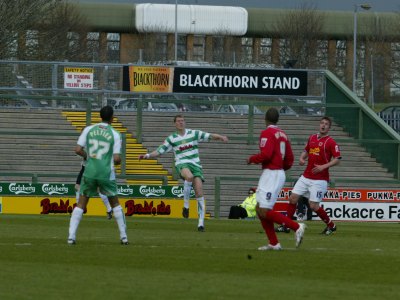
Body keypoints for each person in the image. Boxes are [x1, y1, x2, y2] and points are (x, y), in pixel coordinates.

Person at [139, 114, 228, 232]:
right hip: (182, 164)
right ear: (175, 124)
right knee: (189, 176)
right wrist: (147, 155)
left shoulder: (193, 133)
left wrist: (221, 137)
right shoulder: (172, 138)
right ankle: (186, 206)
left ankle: (201, 224)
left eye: (183, 121)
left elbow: (210, 136)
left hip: (196, 165)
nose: (181, 123)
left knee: (199, 193)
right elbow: (160, 151)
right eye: (179, 121)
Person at [68, 105, 129, 245]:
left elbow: (77, 149)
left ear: (100, 116)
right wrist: (116, 162)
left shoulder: (88, 129)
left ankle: (71, 236)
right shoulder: (115, 134)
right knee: (115, 203)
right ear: (113, 118)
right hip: (106, 173)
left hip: (89, 171)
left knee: (81, 203)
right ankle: (123, 237)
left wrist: (88, 157)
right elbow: (117, 159)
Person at [247, 107, 306, 251]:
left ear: (265, 119)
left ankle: (297, 226)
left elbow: (266, 155)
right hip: (276, 172)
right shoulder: (283, 135)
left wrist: (252, 159)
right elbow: (290, 159)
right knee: (259, 209)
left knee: (265, 211)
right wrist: (280, 168)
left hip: (272, 173)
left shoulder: (267, 133)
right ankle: (274, 243)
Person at [277, 116, 341, 235]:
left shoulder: (331, 142)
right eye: (322, 123)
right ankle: (285, 225)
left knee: (313, 206)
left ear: (329, 128)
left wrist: (323, 166)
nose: (323, 125)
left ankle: (331, 226)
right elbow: (306, 151)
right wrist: (302, 158)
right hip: (306, 176)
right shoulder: (312, 138)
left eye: (326, 124)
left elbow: (337, 159)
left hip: (320, 179)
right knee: (292, 198)